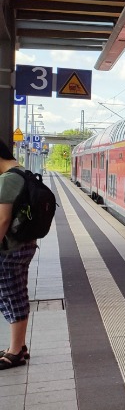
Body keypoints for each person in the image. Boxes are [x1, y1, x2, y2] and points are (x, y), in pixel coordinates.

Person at [0, 141, 37, 369]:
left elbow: (3, 219)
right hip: (25, 245)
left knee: (11, 296)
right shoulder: (23, 172)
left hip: (9, 248)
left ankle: (15, 352)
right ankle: (19, 346)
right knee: (17, 293)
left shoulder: (7, 179)